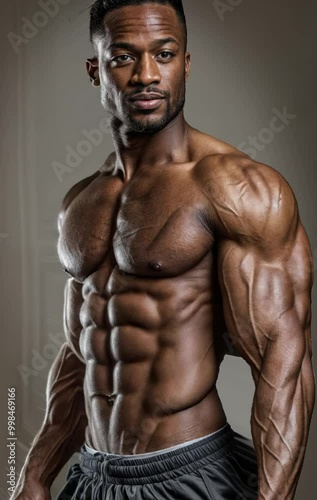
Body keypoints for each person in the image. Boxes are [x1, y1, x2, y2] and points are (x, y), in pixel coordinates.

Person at [13, 0, 315, 499]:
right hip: (92, 476)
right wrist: (35, 474)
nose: (146, 75)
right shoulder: (81, 203)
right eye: (124, 57)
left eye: (165, 54)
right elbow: (83, 350)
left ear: (186, 64)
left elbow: (284, 367)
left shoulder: (239, 189)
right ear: (96, 71)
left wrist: (274, 496)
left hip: (188, 474)